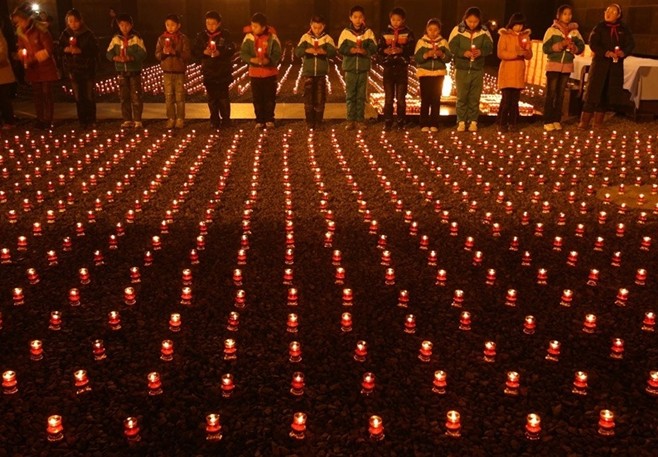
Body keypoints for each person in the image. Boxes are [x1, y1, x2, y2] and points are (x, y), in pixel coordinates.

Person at [579, 3, 634, 130]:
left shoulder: (624, 29)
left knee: (606, 93)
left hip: (614, 66)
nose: (608, 13)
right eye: (607, 11)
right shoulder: (599, 27)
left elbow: (630, 44)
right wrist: (605, 52)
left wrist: (623, 52)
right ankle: (584, 121)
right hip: (600, 64)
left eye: (613, 12)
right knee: (593, 91)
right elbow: (593, 43)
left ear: (619, 15)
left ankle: (598, 122)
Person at [12, 2, 59, 130]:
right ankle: (40, 119)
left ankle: (48, 119)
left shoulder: (41, 30)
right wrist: (21, 54)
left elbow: (48, 49)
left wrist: (33, 58)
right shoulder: (21, 33)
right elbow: (21, 47)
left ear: (26, 19)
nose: (18, 24)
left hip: (45, 67)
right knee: (37, 95)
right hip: (33, 69)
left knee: (46, 94)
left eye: (19, 21)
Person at [449, 6, 493, 132]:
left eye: (475, 22)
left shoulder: (484, 31)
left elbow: (489, 47)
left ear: (479, 21)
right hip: (462, 69)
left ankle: (473, 121)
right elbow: (451, 46)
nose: (472, 24)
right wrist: (463, 53)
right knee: (461, 97)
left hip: (477, 69)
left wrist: (481, 51)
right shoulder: (458, 30)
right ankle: (461, 121)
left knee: (474, 97)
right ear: (465, 19)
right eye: (470, 21)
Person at [541, 4, 584, 132]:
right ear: (559, 15)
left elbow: (581, 46)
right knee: (551, 93)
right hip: (553, 66)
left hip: (566, 67)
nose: (568, 16)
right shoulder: (552, 30)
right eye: (565, 14)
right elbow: (545, 48)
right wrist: (560, 45)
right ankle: (547, 120)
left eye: (570, 14)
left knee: (560, 95)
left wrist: (574, 48)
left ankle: (556, 119)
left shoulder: (575, 32)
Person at [57, 8, 98, 129]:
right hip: (73, 69)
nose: (73, 24)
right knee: (78, 96)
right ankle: (82, 120)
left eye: (75, 21)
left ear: (80, 21)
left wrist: (81, 51)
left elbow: (95, 50)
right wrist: (65, 49)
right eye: (70, 21)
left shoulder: (88, 34)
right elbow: (58, 48)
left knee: (89, 95)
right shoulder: (65, 34)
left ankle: (91, 119)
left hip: (87, 69)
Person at [193, 11, 235, 129]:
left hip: (222, 71)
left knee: (223, 98)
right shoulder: (202, 36)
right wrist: (203, 52)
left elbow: (231, 48)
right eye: (208, 23)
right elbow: (194, 50)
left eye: (213, 23)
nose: (210, 26)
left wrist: (220, 52)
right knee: (212, 98)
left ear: (219, 23)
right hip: (209, 71)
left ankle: (226, 120)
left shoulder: (225, 35)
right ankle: (214, 120)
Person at [338, 5, 377, 130]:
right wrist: (351, 50)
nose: (358, 19)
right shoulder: (346, 32)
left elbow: (374, 47)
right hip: (350, 68)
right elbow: (341, 48)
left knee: (361, 95)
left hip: (363, 68)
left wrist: (365, 51)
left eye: (360, 17)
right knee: (350, 95)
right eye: (355, 17)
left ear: (363, 18)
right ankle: (350, 120)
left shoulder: (368, 32)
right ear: (350, 18)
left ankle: (360, 119)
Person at [294, 15, 336, 130]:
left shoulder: (327, 38)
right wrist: (307, 50)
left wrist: (325, 51)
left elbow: (333, 52)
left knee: (320, 98)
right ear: (311, 26)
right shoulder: (306, 38)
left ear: (324, 26)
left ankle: (318, 121)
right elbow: (298, 52)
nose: (317, 30)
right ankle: (309, 121)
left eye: (319, 27)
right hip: (308, 73)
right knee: (308, 98)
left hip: (321, 74)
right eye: (315, 27)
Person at [240, 12, 281, 129]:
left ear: (263, 27)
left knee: (269, 98)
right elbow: (243, 53)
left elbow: (277, 53)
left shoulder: (272, 38)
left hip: (269, 73)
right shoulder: (248, 37)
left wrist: (269, 60)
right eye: (252, 25)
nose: (253, 28)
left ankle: (269, 119)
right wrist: (251, 59)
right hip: (255, 73)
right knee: (257, 98)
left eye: (256, 26)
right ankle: (259, 120)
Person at [377, 7, 415, 131]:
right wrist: (384, 51)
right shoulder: (385, 33)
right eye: (393, 19)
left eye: (398, 20)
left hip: (401, 68)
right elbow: (379, 48)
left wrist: (401, 50)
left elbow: (412, 48)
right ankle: (388, 121)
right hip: (388, 68)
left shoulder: (408, 33)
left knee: (401, 99)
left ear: (403, 20)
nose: (396, 22)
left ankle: (401, 122)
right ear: (390, 19)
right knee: (388, 98)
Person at [106, 14, 147, 129]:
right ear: (118, 26)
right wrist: (115, 57)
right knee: (124, 97)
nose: (124, 27)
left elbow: (143, 53)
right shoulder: (115, 39)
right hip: (121, 71)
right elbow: (108, 53)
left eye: (127, 25)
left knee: (136, 96)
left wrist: (132, 57)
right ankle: (127, 119)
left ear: (131, 25)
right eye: (122, 25)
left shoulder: (136, 38)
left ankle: (137, 119)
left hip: (134, 71)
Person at [496, 12, 532, 132]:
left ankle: (512, 123)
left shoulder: (525, 37)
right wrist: (516, 54)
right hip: (507, 72)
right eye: (516, 25)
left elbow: (529, 55)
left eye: (521, 25)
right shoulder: (505, 35)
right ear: (512, 24)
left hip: (518, 73)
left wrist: (526, 52)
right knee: (506, 101)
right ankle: (501, 122)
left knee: (514, 102)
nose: (519, 27)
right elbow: (501, 53)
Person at [414, 18, 451, 132]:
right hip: (425, 74)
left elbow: (448, 58)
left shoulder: (443, 42)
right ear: (426, 30)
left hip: (438, 74)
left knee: (436, 99)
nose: (433, 32)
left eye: (435, 30)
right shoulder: (421, 42)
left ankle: (434, 123)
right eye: (430, 29)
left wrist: (441, 54)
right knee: (425, 99)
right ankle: (424, 123)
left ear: (439, 30)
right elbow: (417, 58)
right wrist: (426, 55)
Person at [155, 14, 192, 129]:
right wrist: (163, 53)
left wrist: (175, 52)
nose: (170, 27)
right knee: (169, 97)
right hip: (167, 72)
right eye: (167, 25)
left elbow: (187, 55)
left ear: (178, 25)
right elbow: (157, 54)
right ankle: (171, 118)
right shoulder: (161, 39)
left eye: (172, 25)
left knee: (180, 97)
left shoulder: (183, 39)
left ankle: (180, 118)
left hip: (179, 71)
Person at [0, 22, 16, 129]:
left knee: (3, 99)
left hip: (2, 74)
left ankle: (9, 121)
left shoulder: (1, 38)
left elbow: (3, 54)